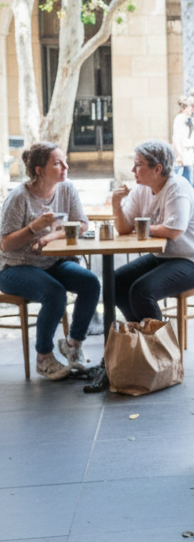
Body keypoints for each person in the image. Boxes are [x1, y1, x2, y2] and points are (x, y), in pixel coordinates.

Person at [0, 143, 100, 379]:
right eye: (57, 163)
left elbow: (82, 224)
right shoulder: (19, 197)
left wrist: (51, 236)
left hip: (53, 263)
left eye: (64, 160)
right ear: (39, 170)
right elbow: (5, 244)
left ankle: (73, 346)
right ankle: (43, 357)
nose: (65, 166)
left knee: (91, 283)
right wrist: (35, 227)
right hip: (14, 268)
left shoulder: (67, 189)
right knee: (55, 293)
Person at [111, 140, 194, 323]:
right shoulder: (141, 189)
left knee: (142, 291)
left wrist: (141, 228)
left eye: (138, 165)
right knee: (115, 282)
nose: (133, 170)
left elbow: (173, 231)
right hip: (165, 257)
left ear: (157, 169)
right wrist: (116, 204)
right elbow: (124, 228)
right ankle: (139, 336)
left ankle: (160, 348)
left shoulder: (177, 188)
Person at [171, 96, 194, 189]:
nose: (190, 111)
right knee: (179, 180)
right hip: (182, 152)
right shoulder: (179, 119)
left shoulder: (192, 119)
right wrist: (179, 155)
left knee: (191, 180)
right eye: (189, 108)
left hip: (189, 153)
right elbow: (176, 138)